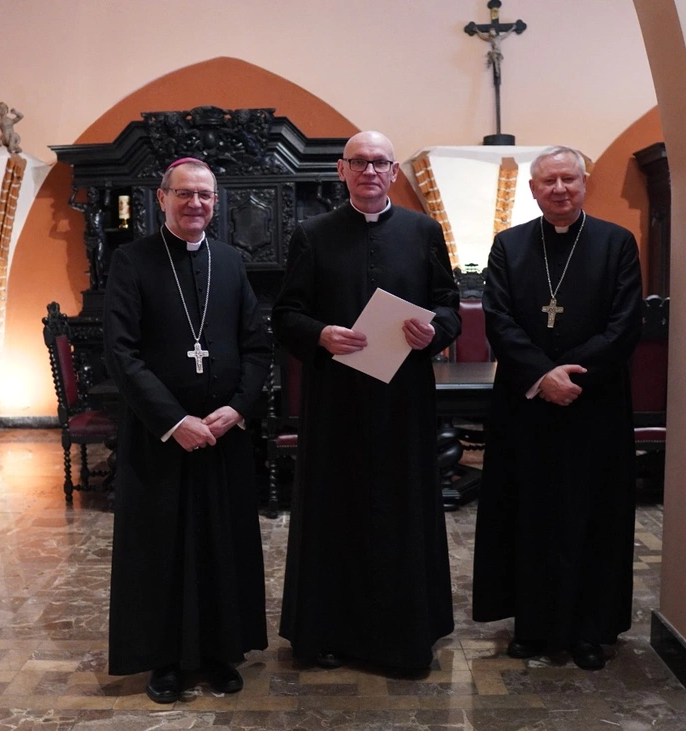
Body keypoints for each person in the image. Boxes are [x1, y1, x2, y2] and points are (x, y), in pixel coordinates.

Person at [273, 130, 461, 673]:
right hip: (337, 402)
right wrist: (321, 334)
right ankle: (330, 633)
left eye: (379, 162)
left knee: (404, 510)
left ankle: (407, 635)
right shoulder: (312, 234)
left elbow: (448, 304)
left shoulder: (424, 231)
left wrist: (436, 330)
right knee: (337, 510)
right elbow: (286, 315)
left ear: (394, 171)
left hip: (403, 400)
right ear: (342, 170)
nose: (370, 171)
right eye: (359, 162)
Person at [103, 157, 271, 702]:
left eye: (204, 195)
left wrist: (237, 409)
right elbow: (122, 353)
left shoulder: (231, 261)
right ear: (162, 199)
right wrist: (174, 421)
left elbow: (256, 346)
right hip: (161, 438)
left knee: (222, 543)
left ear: (215, 202)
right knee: (162, 550)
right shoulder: (132, 261)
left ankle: (222, 651)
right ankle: (165, 660)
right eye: (184, 194)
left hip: (222, 436)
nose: (195, 203)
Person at [471, 146, 643, 671]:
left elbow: (625, 325)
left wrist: (568, 375)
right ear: (533, 189)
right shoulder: (509, 245)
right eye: (549, 181)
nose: (560, 188)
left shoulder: (617, 243)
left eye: (569, 179)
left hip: (594, 406)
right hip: (527, 407)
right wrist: (542, 376)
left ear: (584, 182)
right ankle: (531, 625)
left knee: (593, 517)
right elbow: (498, 319)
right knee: (529, 514)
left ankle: (590, 629)